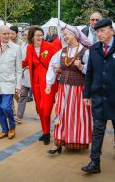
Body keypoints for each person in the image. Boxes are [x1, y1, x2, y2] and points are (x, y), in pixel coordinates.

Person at [45, 25, 92, 154]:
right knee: (61, 113)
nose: (65, 37)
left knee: (77, 115)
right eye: (64, 35)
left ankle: (77, 141)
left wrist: (82, 67)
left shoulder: (85, 51)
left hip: (78, 89)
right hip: (63, 88)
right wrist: (49, 84)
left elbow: (92, 70)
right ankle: (58, 142)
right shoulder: (62, 51)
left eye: (67, 34)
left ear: (75, 36)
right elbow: (52, 65)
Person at [82, 18, 115, 174]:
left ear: (112, 31)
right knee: (97, 130)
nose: (99, 34)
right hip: (98, 97)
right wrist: (86, 94)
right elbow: (89, 74)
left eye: (103, 31)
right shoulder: (94, 49)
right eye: (97, 32)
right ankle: (95, 162)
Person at [22, 25, 60, 145]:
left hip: (48, 82)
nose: (40, 37)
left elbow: (60, 59)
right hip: (35, 82)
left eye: (41, 35)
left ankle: (47, 132)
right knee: (40, 108)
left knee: (46, 108)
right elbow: (26, 62)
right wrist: (13, 65)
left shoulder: (50, 46)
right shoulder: (29, 48)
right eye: (37, 35)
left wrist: (59, 69)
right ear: (32, 37)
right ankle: (45, 132)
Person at [16, 27, 31, 123]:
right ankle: (19, 116)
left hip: (33, 74)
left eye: (26, 35)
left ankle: (40, 111)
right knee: (23, 95)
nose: (24, 36)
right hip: (23, 74)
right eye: (24, 34)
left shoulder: (34, 45)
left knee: (38, 97)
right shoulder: (22, 45)